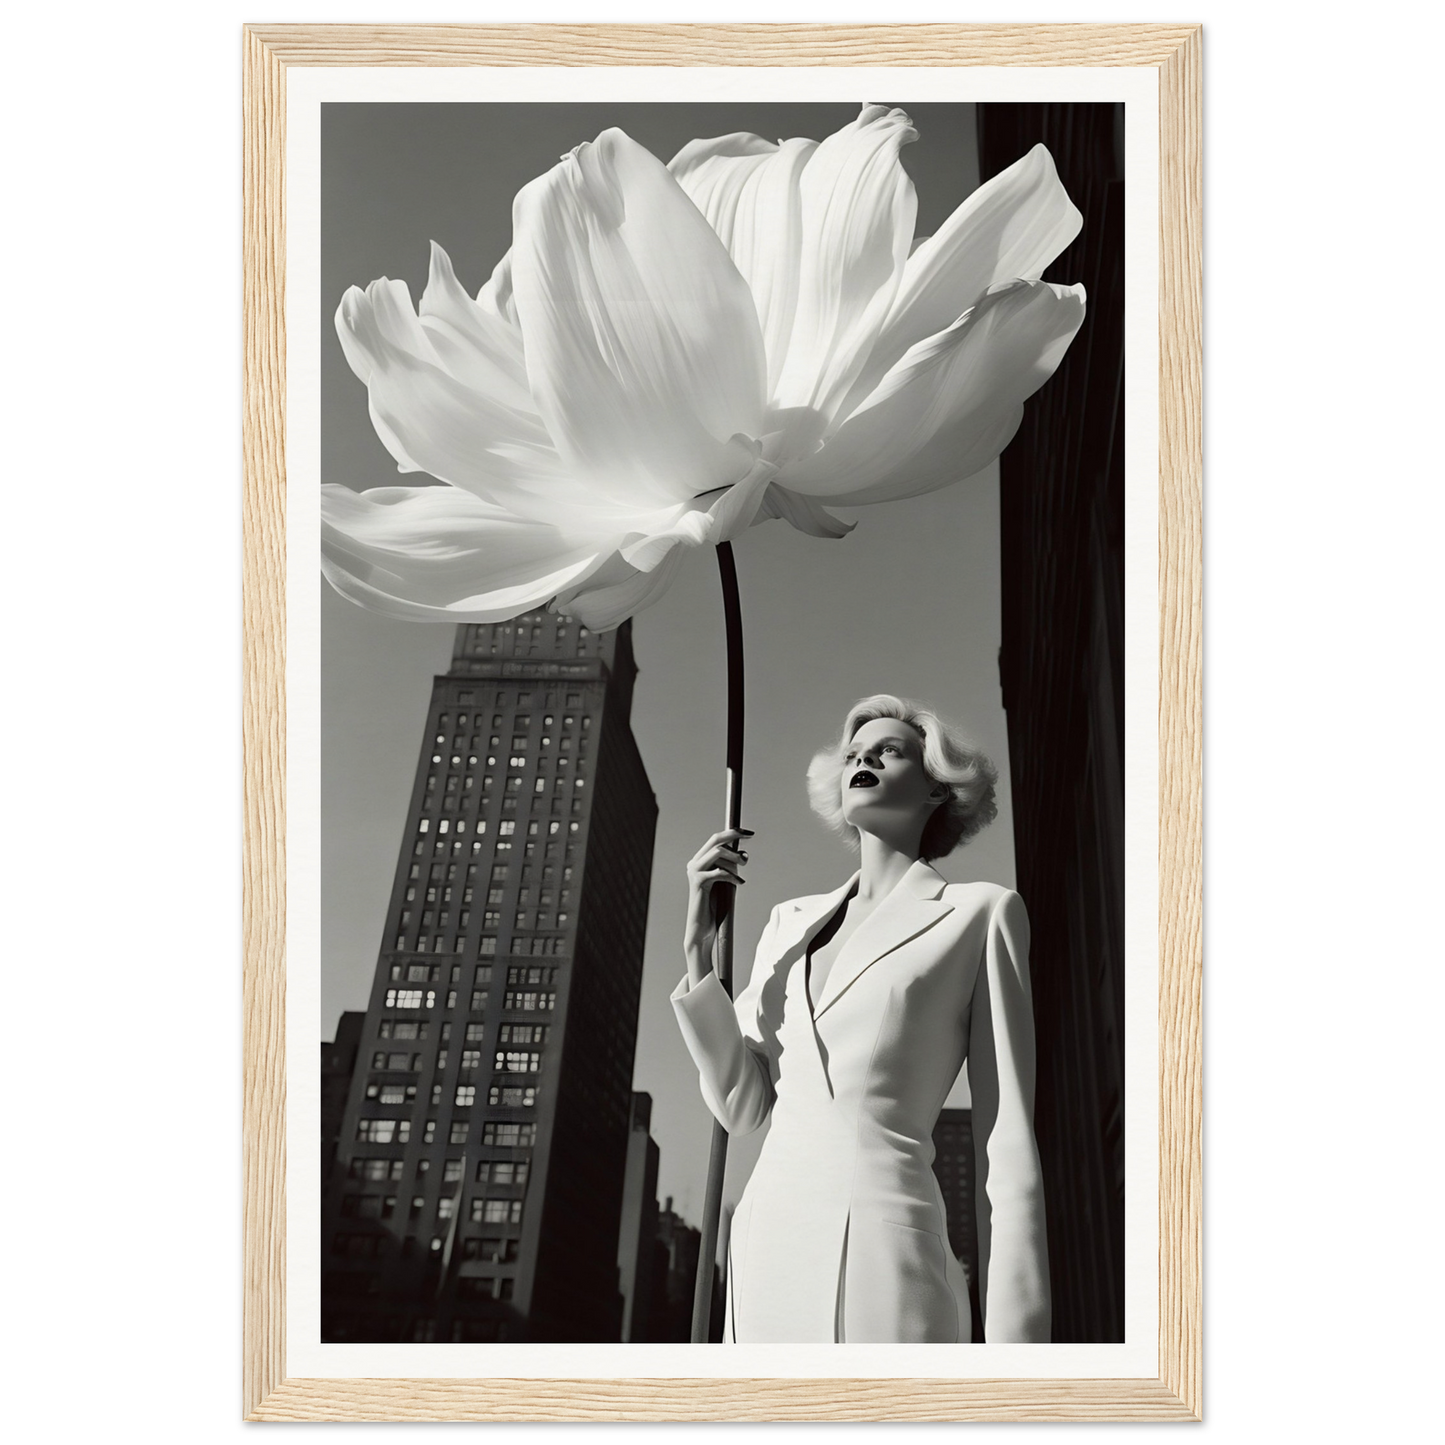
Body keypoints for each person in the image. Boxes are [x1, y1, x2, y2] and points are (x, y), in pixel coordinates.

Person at [671, 695, 1049, 1344]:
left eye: (888, 749)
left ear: (936, 787)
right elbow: (742, 1106)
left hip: (887, 1259)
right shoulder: (787, 923)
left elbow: (1006, 1145)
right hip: (764, 1252)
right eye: (852, 753)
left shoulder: (980, 914)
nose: (864, 758)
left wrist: (1019, 1357)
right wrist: (698, 956)